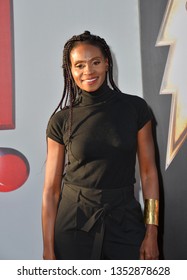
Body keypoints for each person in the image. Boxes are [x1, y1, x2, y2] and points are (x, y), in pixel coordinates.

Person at [42, 31, 159, 260]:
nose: (88, 71)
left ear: (107, 62)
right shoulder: (61, 120)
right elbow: (51, 191)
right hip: (73, 223)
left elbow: (148, 174)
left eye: (95, 62)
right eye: (80, 65)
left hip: (125, 219)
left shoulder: (135, 109)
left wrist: (152, 232)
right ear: (70, 70)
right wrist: (48, 250)